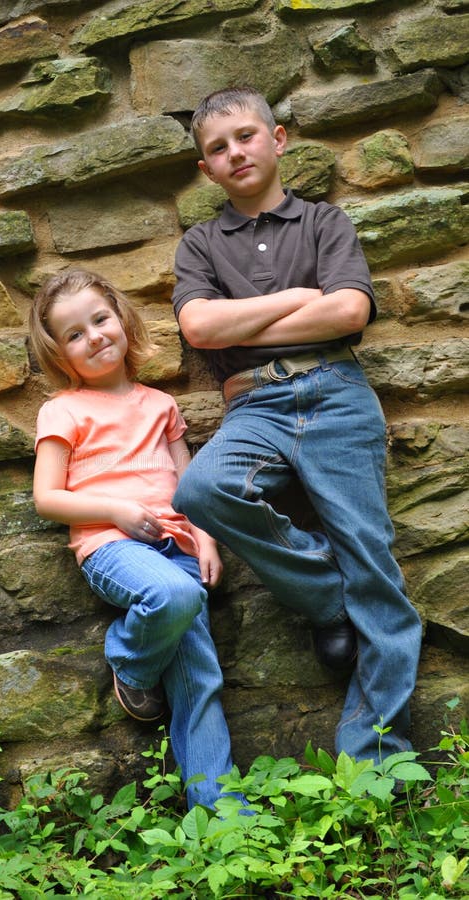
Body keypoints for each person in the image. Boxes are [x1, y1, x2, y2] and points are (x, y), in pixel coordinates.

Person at [171, 86, 422, 764]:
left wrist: (250, 317)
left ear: (277, 140)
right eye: (217, 148)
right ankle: (325, 596)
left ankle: (374, 765)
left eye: (245, 136)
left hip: (337, 390)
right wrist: (296, 299)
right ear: (206, 169)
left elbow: (347, 315)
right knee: (200, 490)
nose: (234, 152)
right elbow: (197, 325)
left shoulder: (324, 223)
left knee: (377, 570)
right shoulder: (199, 244)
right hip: (255, 404)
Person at [29, 267, 238, 811]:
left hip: (179, 545)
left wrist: (206, 540)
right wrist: (117, 509)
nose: (94, 336)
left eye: (100, 320)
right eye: (74, 334)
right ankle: (131, 661)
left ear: (121, 320)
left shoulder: (160, 405)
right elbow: (47, 498)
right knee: (173, 595)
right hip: (111, 547)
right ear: (59, 352)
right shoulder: (63, 410)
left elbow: (188, 484)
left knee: (201, 680)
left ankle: (223, 816)